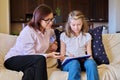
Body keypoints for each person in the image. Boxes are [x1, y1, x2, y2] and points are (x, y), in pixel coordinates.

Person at [4, 4, 61, 80]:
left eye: (52, 19)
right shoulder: (28, 31)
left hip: (31, 62)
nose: (51, 23)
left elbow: (55, 34)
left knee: (30, 71)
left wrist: (54, 42)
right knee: (40, 59)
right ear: (39, 19)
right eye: (47, 20)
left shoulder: (48, 30)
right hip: (13, 60)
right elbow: (30, 55)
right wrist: (48, 55)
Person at [60, 10, 99, 80]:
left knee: (91, 63)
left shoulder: (87, 36)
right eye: (73, 25)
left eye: (79, 24)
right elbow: (62, 57)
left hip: (83, 62)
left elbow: (90, 55)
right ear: (69, 24)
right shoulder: (64, 36)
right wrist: (68, 57)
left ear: (82, 24)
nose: (76, 27)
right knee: (74, 63)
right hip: (70, 63)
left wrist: (90, 60)